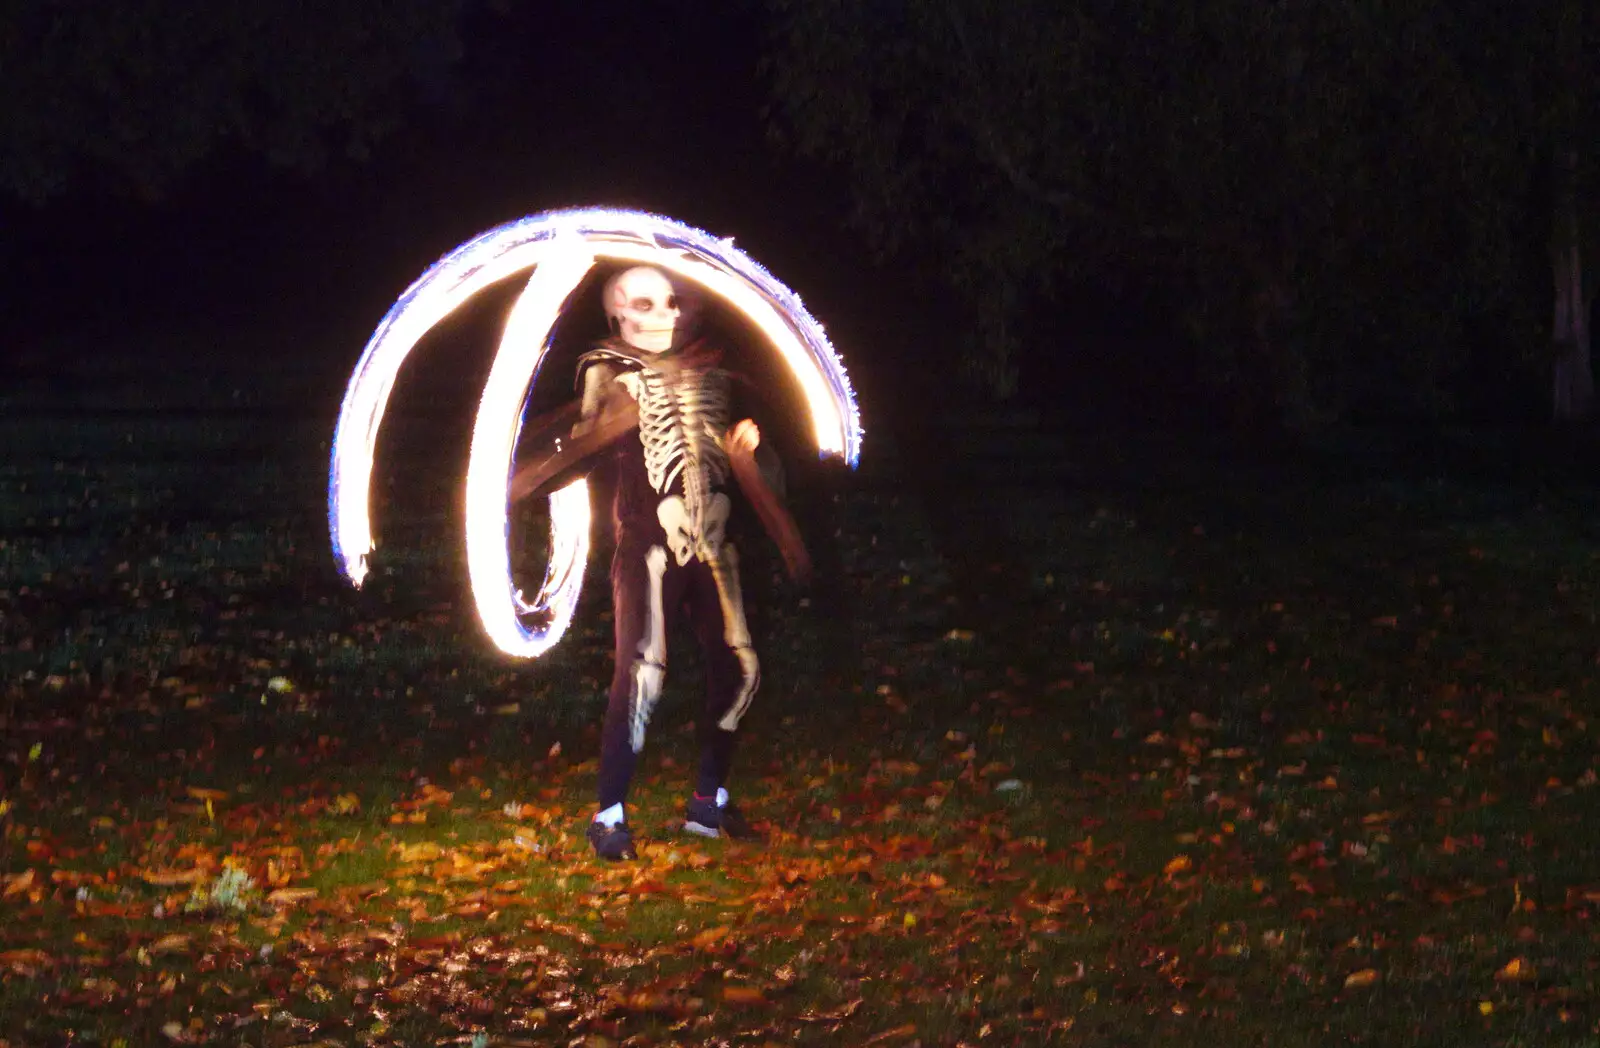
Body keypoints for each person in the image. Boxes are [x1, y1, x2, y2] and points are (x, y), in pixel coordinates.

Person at [533, 264, 809, 860]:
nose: (667, 315)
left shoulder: (718, 367)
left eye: (673, 302)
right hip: (648, 545)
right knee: (641, 673)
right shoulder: (606, 366)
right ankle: (608, 816)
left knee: (741, 670)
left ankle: (707, 804)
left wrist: (747, 464)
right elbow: (572, 447)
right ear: (618, 316)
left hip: (716, 541)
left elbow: (759, 460)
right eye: (646, 304)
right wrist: (608, 420)